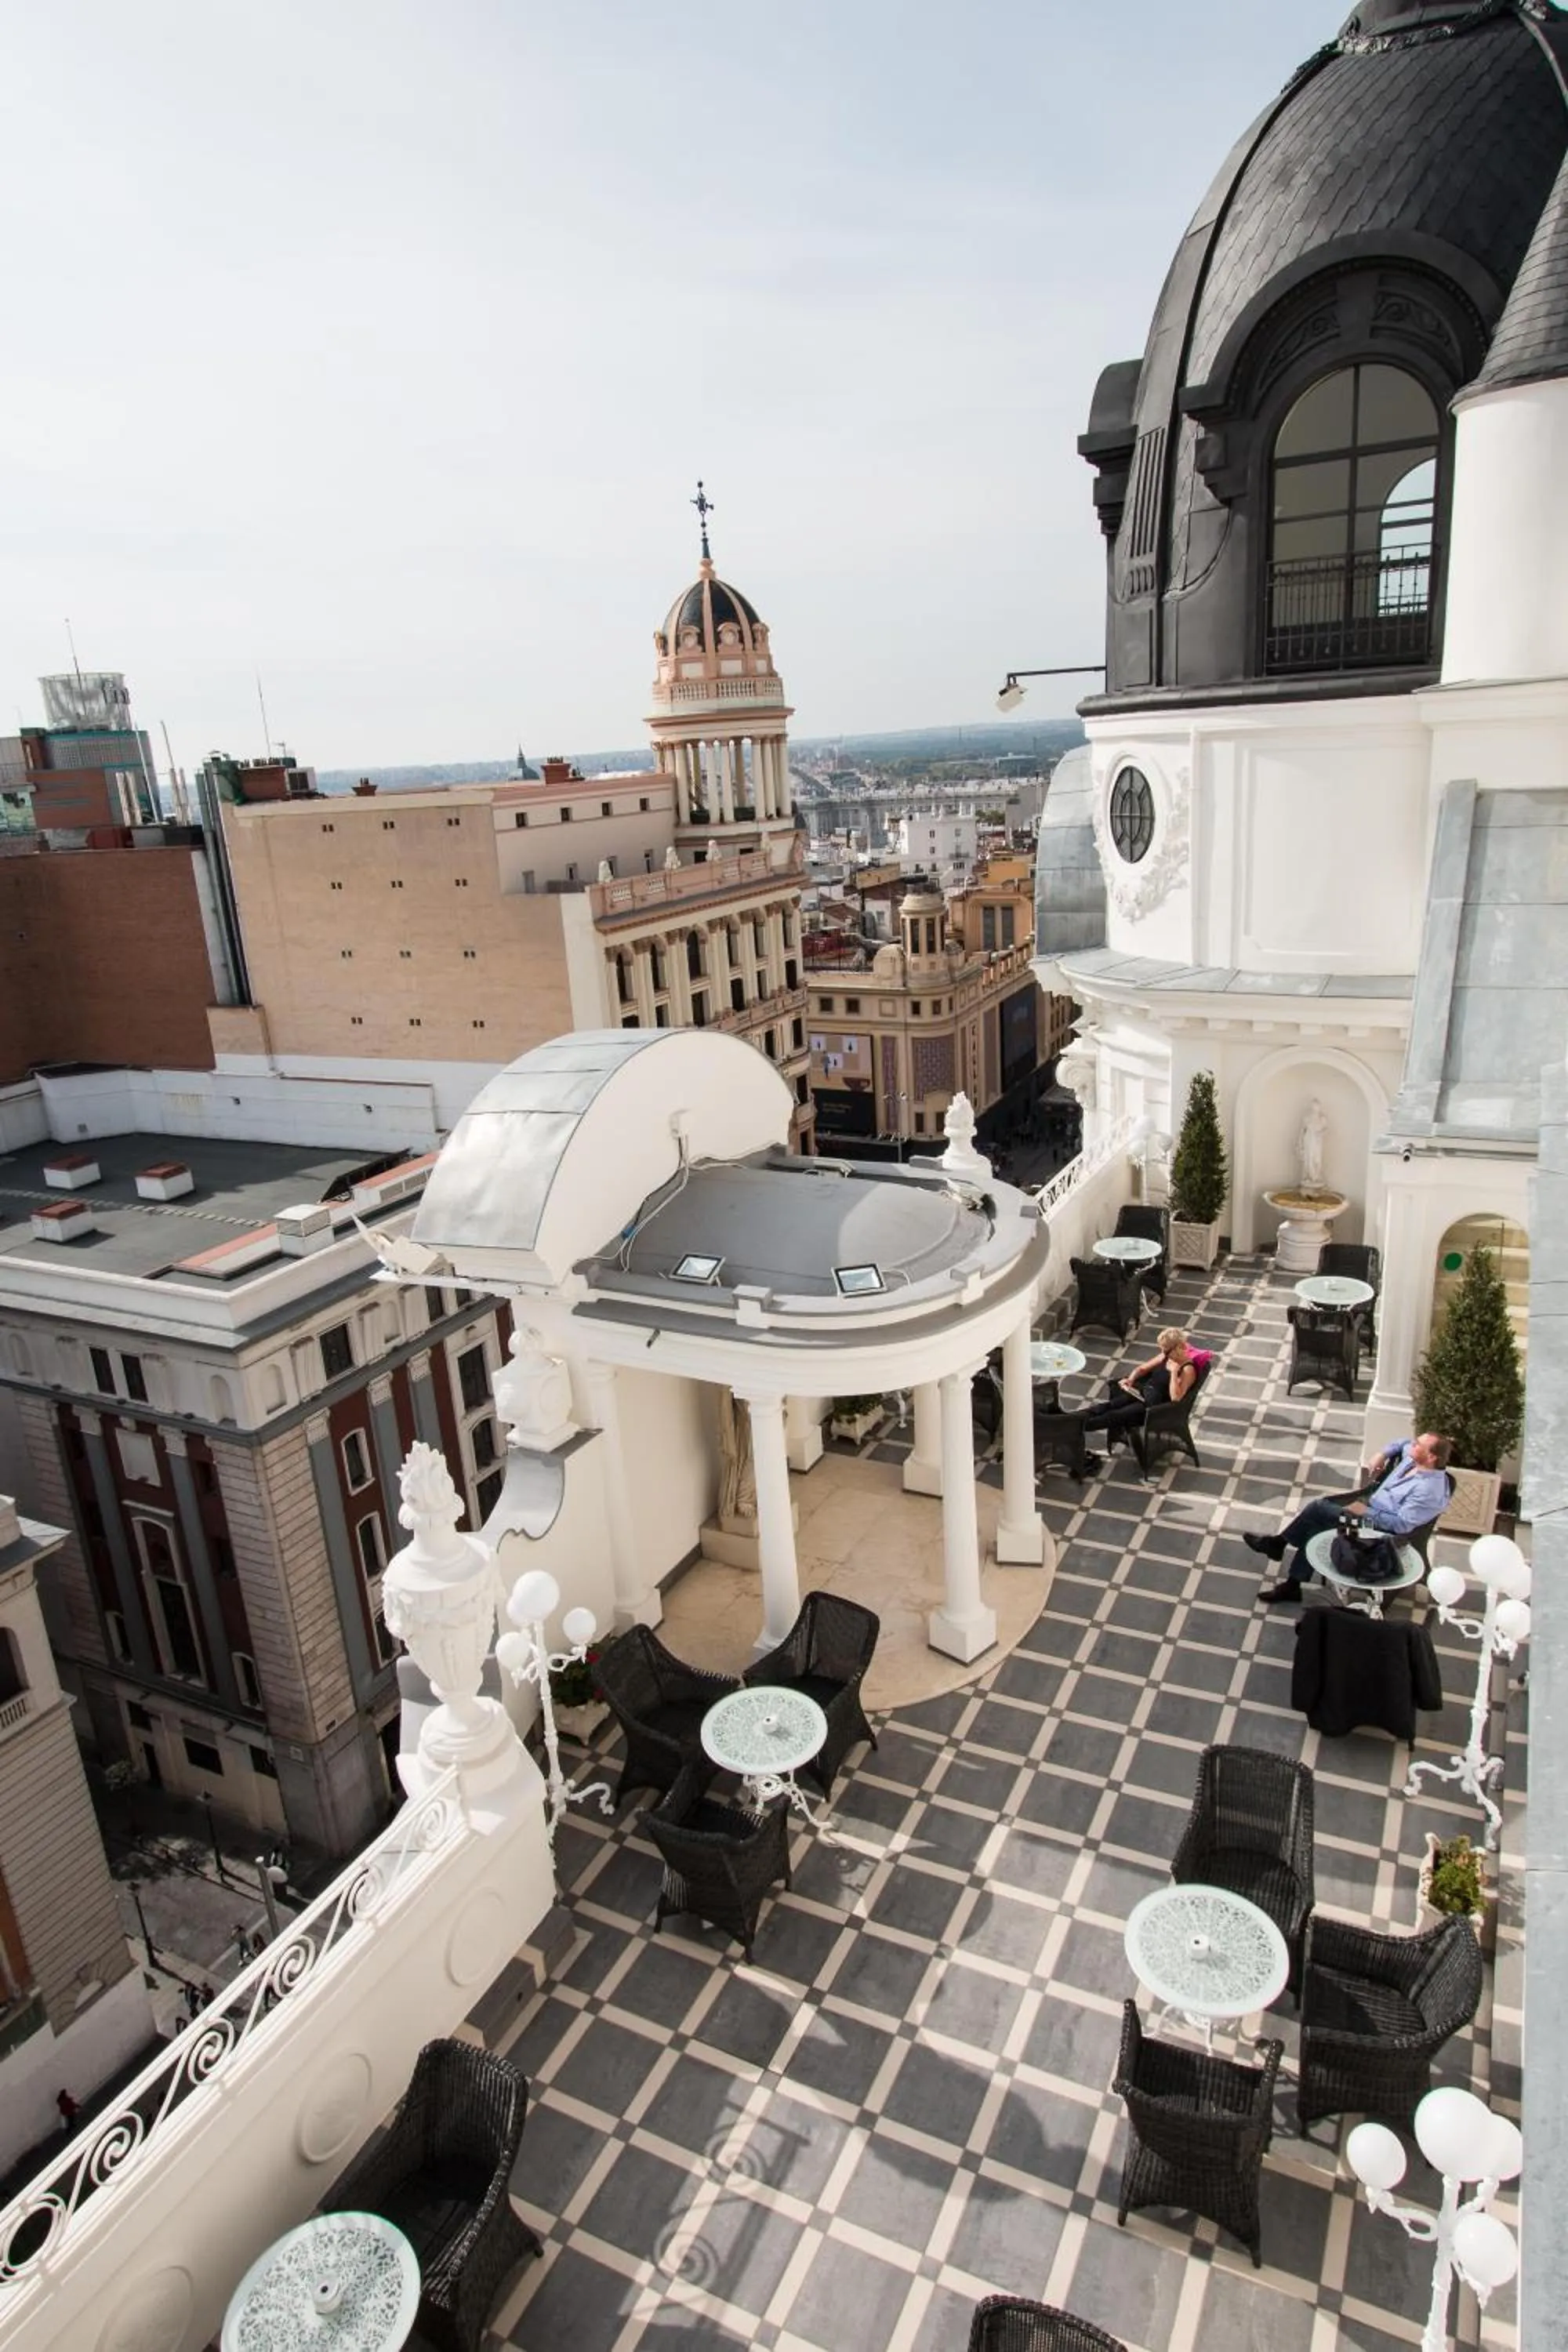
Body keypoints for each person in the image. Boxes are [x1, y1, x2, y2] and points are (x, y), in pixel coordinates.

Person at [1245, 1432, 1454, 1604]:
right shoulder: (1415, 1458)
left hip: (1378, 1529)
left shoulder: (1428, 1491)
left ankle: (1280, 1548)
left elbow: (1401, 1526)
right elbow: (1402, 1443)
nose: (1413, 1445)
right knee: (1318, 1523)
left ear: (1432, 1457)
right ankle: (1290, 1581)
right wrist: (1382, 1454)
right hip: (1368, 1503)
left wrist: (1365, 1512)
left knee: (1318, 1509)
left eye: (1419, 1445)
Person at [1070, 1329, 1211, 1465]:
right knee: (1104, 1407)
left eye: (1166, 1350)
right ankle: (1068, 1420)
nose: (1163, 1353)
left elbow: (1176, 1398)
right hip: (1141, 1393)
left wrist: (1174, 1373)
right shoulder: (1165, 1356)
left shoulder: (1187, 1370)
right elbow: (1142, 1369)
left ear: (1179, 1348)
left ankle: (1071, 1427)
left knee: (1113, 1415)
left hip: (1152, 1409)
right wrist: (1131, 1380)